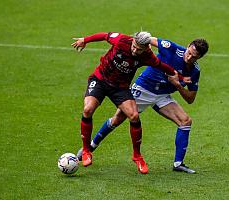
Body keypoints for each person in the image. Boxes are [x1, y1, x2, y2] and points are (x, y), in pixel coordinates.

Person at [76, 36, 209, 174]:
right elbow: (146, 38)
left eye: (194, 57)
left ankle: (178, 164)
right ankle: (91, 146)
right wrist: (144, 46)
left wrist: (178, 85)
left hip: (163, 96)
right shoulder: (171, 48)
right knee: (117, 119)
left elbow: (190, 99)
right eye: (189, 53)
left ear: (199, 57)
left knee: (185, 121)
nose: (189, 58)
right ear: (187, 46)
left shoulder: (195, 71)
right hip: (144, 88)